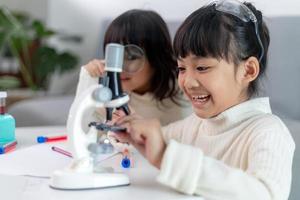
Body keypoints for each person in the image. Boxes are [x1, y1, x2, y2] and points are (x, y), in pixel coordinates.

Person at [111, 1, 295, 199]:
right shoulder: (193, 125)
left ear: (247, 70)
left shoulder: (267, 132)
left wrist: (166, 156)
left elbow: (266, 194)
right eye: (181, 68)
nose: (187, 82)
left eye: (202, 68)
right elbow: (153, 141)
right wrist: (131, 134)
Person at [72, 9, 191, 128]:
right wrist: (88, 79)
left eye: (131, 56)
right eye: (114, 55)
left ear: (156, 56)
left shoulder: (181, 86)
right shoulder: (107, 91)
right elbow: (83, 130)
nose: (120, 67)